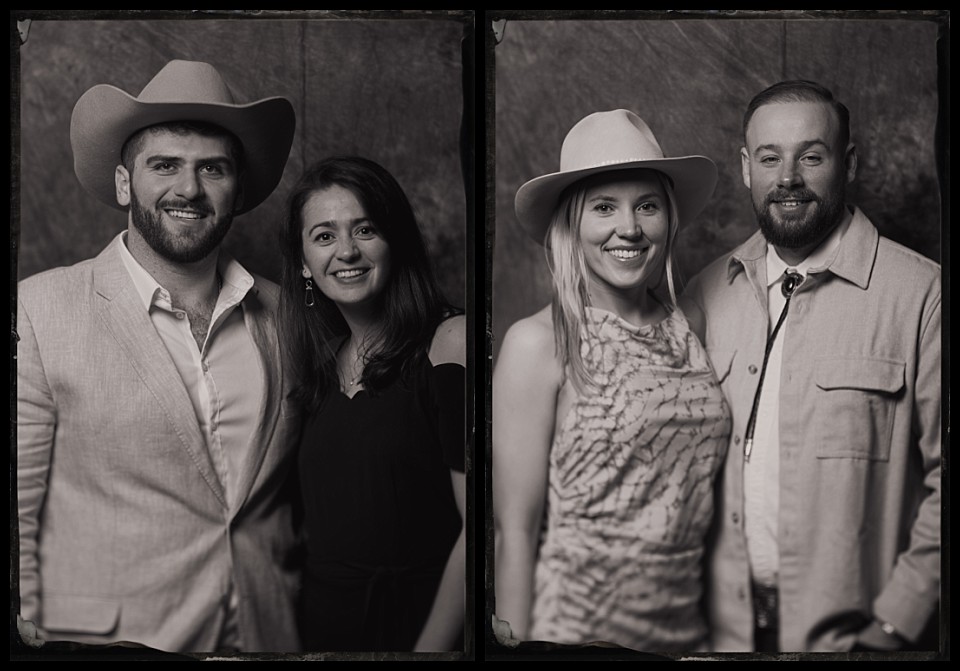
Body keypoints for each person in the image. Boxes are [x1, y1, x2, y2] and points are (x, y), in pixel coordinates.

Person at [16, 60, 301, 653]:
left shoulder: (287, 316)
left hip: (266, 635)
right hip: (103, 643)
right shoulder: (39, 310)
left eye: (212, 168)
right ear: (125, 183)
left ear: (238, 189)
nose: (189, 189)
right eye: (165, 165)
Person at [682, 80, 941, 653]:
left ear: (849, 163)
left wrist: (894, 624)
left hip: (850, 643)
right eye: (769, 158)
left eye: (811, 157)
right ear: (746, 168)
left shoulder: (923, 296)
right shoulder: (704, 294)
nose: (788, 178)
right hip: (717, 636)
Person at [493, 109, 731, 652]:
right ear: (571, 223)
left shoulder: (691, 324)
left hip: (688, 637)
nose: (630, 228)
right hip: (576, 639)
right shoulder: (537, 344)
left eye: (646, 205)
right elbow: (515, 534)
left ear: (668, 217)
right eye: (604, 207)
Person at [277, 156, 466, 652]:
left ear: (394, 239)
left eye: (365, 229)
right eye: (324, 236)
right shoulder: (317, 369)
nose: (347, 251)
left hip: (420, 631)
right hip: (321, 632)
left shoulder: (450, 342)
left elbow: (483, 530)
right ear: (303, 262)